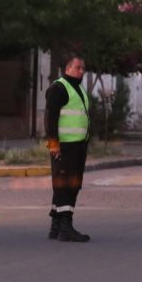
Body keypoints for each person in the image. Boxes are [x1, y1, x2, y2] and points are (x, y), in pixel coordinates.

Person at [44, 55, 91, 241]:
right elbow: (50, 118)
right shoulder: (59, 88)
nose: (81, 71)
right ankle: (66, 227)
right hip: (65, 146)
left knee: (67, 184)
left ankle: (56, 226)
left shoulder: (77, 88)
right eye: (78, 68)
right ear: (68, 68)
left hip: (78, 144)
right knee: (67, 185)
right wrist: (53, 143)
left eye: (83, 69)